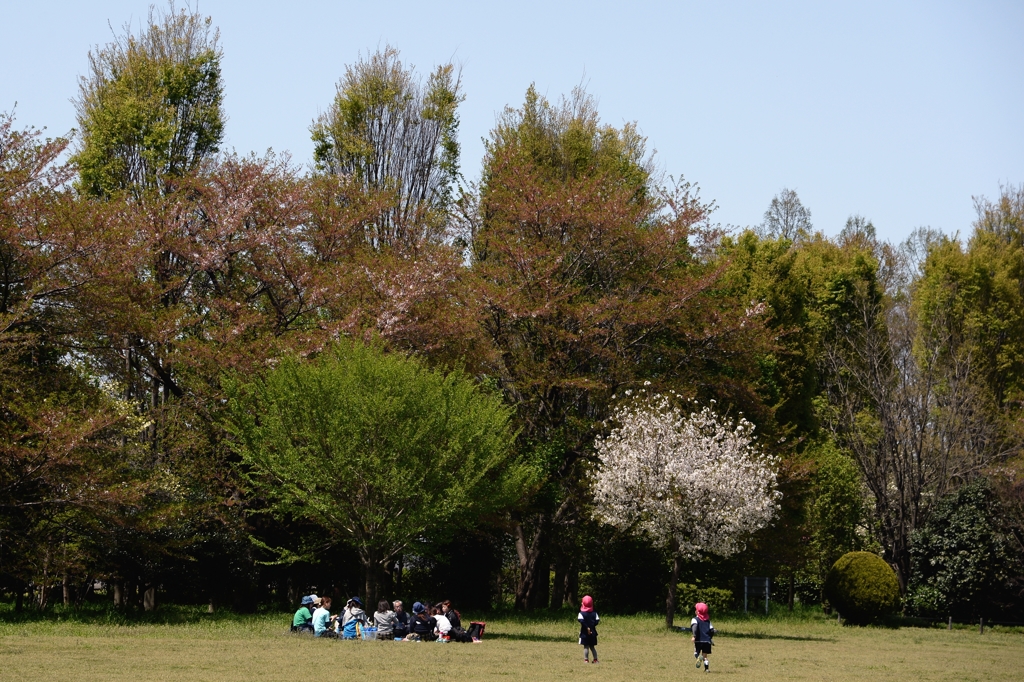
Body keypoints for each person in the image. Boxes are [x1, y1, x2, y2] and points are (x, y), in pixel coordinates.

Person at [691, 602, 716, 673]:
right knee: (705, 655)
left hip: (699, 640)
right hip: (707, 641)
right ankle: (707, 669)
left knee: (696, 652)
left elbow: (695, 628)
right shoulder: (708, 621)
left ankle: (698, 657)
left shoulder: (695, 619)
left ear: (697, 611)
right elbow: (712, 630)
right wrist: (710, 638)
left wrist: (694, 636)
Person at [577, 595, 599, 664]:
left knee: (586, 646)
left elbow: (581, 621)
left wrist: (587, 627)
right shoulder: (595, 613)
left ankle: (586, 660)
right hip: (593, 632)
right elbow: (597, 621)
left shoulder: (581, 613)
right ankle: (595, 660)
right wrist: (591, 627)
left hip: (584, 633)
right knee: (592, 646)